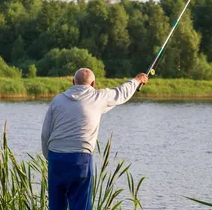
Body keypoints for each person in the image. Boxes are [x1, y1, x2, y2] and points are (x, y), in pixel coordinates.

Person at [41, 68, 148, 210]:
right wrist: (137, 80)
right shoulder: (99, 97)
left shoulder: (58, 100)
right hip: (80, 160)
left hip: (56, 159)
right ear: (93, 84)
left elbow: (45, 133)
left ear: (73, 82)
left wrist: (50, 158)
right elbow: (121, 93)